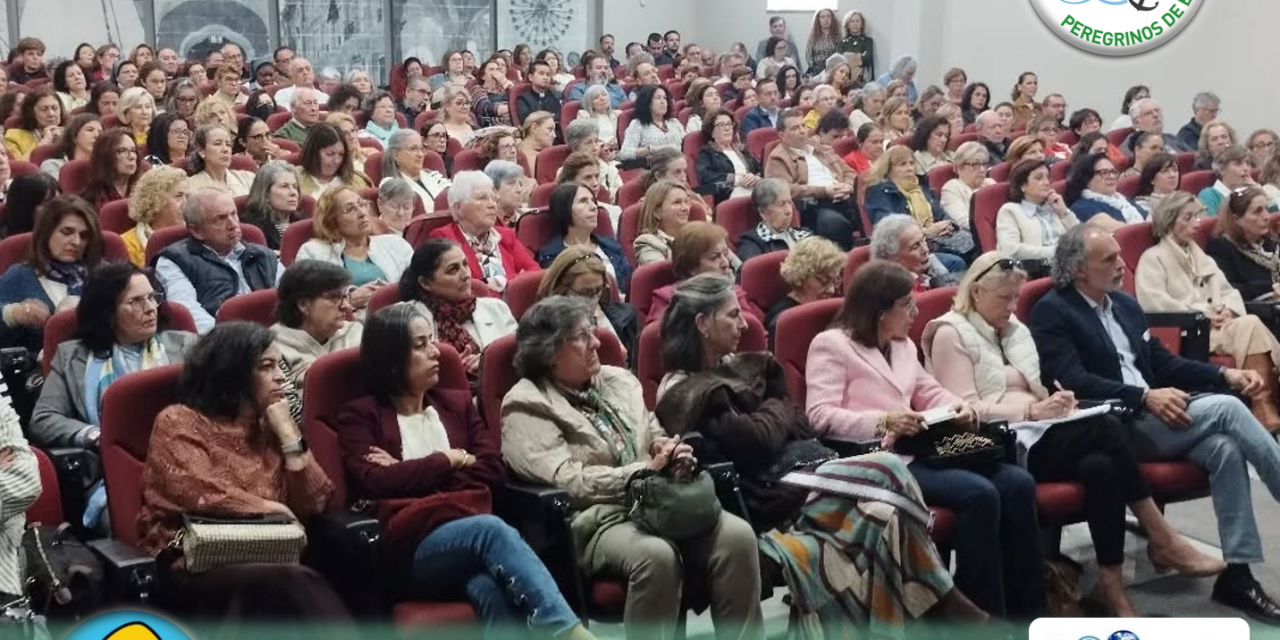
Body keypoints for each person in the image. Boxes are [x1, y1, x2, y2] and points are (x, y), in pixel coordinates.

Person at [923, 252, 1226, 616]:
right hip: (997, 442)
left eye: (1016, 298)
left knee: (1101, 467)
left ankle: (1111, 587)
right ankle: (1160, 535)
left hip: (1037, 431)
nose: (1013, 307)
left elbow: (1037, 387)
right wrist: (1031, 411)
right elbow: (964, 410)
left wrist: (1055, 401)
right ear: (976, 293)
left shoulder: (1014, 329)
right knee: (1108, 426)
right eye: (1004, 298)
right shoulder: (950, 333)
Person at [1031, 224, 1280, 623]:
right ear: (1079, 270)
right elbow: (1072, 379)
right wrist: (1143, 396)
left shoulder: (1124, 305)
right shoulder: (1053, 311)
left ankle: (1238, 574)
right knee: (1228, 409)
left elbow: (1162, 363)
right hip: (1115, 425)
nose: (1121, 264)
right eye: (1109, 259)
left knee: (1225, 448)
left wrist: (1224, 374)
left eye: (1119, 255)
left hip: (1158, 414)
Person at [501, 295, 765, 640]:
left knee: (737, 536)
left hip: (661, 502)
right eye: (581, 337)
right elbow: (567, 480)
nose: (596, 342)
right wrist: (642, 472)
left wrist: (668, 450)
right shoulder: (525, 404)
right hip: (597, 518)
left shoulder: (618, 381)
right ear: (548, 352)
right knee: (656, 555)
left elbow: (651, 431)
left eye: (592, 330)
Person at [335, 302, 595, 639]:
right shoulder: (360, 416)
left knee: (487, 587)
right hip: (409, 549)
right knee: (490, 530)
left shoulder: (456, 405)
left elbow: (492, 469)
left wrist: (409, 473)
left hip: (467, 538)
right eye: (421, 345)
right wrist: (451, 459)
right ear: (391, 358)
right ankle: (568, 631)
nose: (436, 352)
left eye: (432, 340)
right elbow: (375, 481)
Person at [806, 260, 1045, 619]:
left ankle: (1028, 613)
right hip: (877, 461)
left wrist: (958, 406)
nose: (915, 313)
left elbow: (927, 391)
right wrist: (883, 421)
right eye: (907, 304)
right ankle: (981, 614)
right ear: (880, 310)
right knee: (979, 494)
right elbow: (820, 415)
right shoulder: (831, 345)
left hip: (919, 449)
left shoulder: (902, 345)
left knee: (1019, 483)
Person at [137, 322, 353, 623]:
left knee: (339, 550)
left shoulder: (272, 427)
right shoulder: (179, 422)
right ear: (232, 374)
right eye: (267, 366)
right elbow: (199, 493)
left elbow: (314, 502)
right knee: (287, 580)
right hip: (196, 563)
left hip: (272, 553)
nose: (281, 376)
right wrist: (270, 508)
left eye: (279, 365)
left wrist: (290, 436)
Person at [30, 262, 196, 525]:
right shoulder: (72, 357)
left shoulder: (186, 346)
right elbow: (43, 419)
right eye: (136, 301)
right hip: (111, 475)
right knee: (137, 522)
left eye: (152, 297)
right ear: (107, 312)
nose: (150, 308)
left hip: (189, 465)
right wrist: (97, 435)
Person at [1137, 192, 1280, 430]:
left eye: (1197, 216)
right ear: (1169, 221)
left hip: (1219, 325)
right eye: (1188, 217)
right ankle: (1264, 404)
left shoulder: (1199, 255)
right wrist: (1204, 315)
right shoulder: (1153, 258)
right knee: (1251, 325)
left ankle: (1263, 404)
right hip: (1190, 332)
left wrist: (1228, 310)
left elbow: (1228, 291)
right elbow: (1154, 304)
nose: (1196, 223)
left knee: (1250, 323)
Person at [155, 188, 284, 334]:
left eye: (234, 214)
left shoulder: (264, 255)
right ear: (197, 231)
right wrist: (229, 339)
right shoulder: (173, 261)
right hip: (223, 340)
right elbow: (188, 312)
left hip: (276, 334)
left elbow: (291, 295)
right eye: (220, 219)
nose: (233, 225)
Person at [0, 195, 103, 353]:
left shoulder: (103, 275)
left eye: (84, 236)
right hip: (38, 365)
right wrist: (14, 314)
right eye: (67, 232)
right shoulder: (20, 275)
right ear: (46, 232)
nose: (76, 242)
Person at [400, 239, 517, 375]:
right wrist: (451, 370)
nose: (466, 275)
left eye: (465, 264)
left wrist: (489, 362)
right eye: (453, 270)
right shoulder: (405, 318)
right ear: (425, 283)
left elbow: (521, 356)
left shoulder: (496, 308)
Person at [297, 186, 412, 314]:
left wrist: (390, 295)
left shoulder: (396, 244)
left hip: (397, 318)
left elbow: (417, 288)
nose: (362, 213)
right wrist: (349, 300)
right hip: (343, 323)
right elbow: (306, 303)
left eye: (361, 204)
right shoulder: (313, 253)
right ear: (331, 221)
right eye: (349, 209)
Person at [765, 109, 859, 250]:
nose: (802, 131)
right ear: (781, 135)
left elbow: (849, 171)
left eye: (803, 126)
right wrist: (824, 191)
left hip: (845, 196)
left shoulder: (818, 148)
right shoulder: (778, 158)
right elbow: (785, 190)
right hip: (815, 206)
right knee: (835, 224)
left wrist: (848, 185)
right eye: (795, 128)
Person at [866, 145, 973, 268]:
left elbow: (941, 214)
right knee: (955, 262)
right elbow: (889, 232)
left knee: (976, 247)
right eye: (902, 164)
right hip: (912, 248)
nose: (909, 168)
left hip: (938, 240)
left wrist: (948, 225)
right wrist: (926, 233)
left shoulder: (921, 188)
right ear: (889, 169)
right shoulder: (880, 193)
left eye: (911, 163)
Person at [271, 260, 363, 394]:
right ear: (303, 305)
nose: (346, 306)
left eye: (345, 297)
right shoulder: (273, 349)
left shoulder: (354, 332)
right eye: (334, 297)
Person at [537, 246, 641, 362]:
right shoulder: (544, 331)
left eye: (598, 290)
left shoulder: (627, 316)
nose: (593, 299)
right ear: (561, 290)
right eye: (585, 293)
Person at [647, 222, 760, 324]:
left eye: (725, 254)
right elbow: (657, 337)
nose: (725, 263)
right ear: (691, 267)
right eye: (714, 257)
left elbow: (753, 333)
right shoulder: (667, 299)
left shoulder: (735, 293)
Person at [535, 183, 632, 293]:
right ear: (564, 209)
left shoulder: (612, 247)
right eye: (583, 201)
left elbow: (629, 286)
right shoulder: (551, 256)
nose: (594, 207)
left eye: (593, 201)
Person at [994, 159, 1079, 266]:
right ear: (1023, 186)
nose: (1047, 183)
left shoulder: (1054, 207)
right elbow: (1011, 250)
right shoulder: (1010, 211)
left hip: (1069, 264)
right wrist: (1056, 252)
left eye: (1048, 177)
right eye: (1039, 178)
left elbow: (1082, 238)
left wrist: (1064, 212)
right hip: (1036, 269)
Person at [1206, 186, 1280, 302]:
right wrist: (1272, 287)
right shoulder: (1221, 247)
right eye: (1257, 212)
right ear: (1237, 219)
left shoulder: (1270, 242)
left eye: (1266, 209)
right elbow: (1228, 289)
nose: (1267, 216)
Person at [764, 236, 842, 347]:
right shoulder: (782, 320)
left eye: (835, 281)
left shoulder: (834, 311)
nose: (832, 290)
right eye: (823, 281)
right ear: (802, 275)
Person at [871, 214, 963, 291]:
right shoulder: (902, 295)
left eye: (923, 240)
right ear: (894, 258)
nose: (926, 250)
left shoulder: (929, 272)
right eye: (915, 247)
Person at [123, 166, 188, 267]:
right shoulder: (128, 244)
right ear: (156, 201)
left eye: (187, 196)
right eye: (178, 196)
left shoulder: (196, 235)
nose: (186, 203)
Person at [736, 178, 812, 261]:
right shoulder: (751, 242)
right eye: (781, 204)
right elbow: (753, 268)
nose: (789, 211)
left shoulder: (804, 234)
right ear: (763, 212)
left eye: (789, 202)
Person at [694, 109, 760, 205]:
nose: (727, 128)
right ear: (712, 132)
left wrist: (756, 178)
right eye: (721, 125)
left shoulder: (742, 149)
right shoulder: (707, 152)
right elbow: (706, 177)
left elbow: (759, 169)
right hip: (729, 195)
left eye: (729, 124)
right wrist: (736, 179)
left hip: (755, 191)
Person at [1065, 151, 1143, 232]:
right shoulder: (1082, 206)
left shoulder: (1121, 199)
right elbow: (1123, 231)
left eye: (1113, 172)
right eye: (1104, 173)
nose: (1112, 177)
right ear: (1087, 179)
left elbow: (1146, 217)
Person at [291, 123, 369, 199]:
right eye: (330, 154)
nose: (337, 161)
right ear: (313, 152)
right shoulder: (294, 178)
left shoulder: (356, 179)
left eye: (341, 154)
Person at [240, 162, 304, 251]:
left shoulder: (304, 225)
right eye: (284, 186)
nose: (293, 192)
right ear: (266, 193)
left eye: (295, 187)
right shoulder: (252, 228)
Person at [633, 180, 696, 265]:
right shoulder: (647, 243)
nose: (685, 208)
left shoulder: (696, 236)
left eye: (686, 202)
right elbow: (661, 272)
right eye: (677, 202)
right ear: (657, 212)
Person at [619, 85, 685, 165]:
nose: (663, 101)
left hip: (679, 165)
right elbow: (625, 153)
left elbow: (687, 144)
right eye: (658, 98)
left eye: (665, 98)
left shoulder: (674, 122)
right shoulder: (637, 124)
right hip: (653, 167)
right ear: (647, 102)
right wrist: (651, 149)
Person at [185, 124, 255, 197]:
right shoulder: (189, 186)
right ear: (202, 151)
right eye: (217, 144)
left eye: (228, 144)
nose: (225, 149)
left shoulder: (248, 179)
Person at [940, 141, 995, 230]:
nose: (982, 169)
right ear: (959, 167)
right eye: (975, 164)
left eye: (984, 164)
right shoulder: (951, 189)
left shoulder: (990, 183)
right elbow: (965, 222)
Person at [4, 86, 63, 161]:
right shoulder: (14, 137)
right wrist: (45, 141)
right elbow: (18, 166)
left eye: (55, 108)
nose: (51, 114)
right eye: (44, 109)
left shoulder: (72, 133)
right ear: (31, 112)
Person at [1201, 146, 1261, 216]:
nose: (1245, 168)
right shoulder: (1209, 195)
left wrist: (1259, 192)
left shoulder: (1250, 193)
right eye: (1238, 164)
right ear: (1221, 169)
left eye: (1247, 163)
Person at [41, 113, 100, 178]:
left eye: (100, 132)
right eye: (90, 130)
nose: (97, 135)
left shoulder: (103, 168)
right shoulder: (53, 165)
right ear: (74, 136)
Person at [1124, 98, 1191, 155]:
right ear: (1136, 123)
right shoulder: (1130, 147)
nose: (1156, 115)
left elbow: (1192, 158)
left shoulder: (1172, 138)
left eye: (1157, 111)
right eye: (1148, 113)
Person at [1131, 152, 1180, 217]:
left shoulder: (1185, 198)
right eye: (1165, 171)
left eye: (1175, 170)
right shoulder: (1143, 206)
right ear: (1152, 179)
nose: (1172, 175)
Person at [470, 57, 514, 128]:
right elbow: (485, 108)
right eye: (491, 69)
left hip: (512, 127)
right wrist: (511, 109)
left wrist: (505, 82)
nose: (495, 72)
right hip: (491, 128)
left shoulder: (504, 89)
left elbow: (518, 100)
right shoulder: (477, 89)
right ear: (483, 76)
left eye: (497, 69)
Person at [576, 84, 621, 149]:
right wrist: (602, 145)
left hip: (614, 150)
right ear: (590, 103)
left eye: (604, 95)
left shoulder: (617, 114)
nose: (602, 98)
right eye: (596, 97)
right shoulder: (584, 115)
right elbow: (583, 140)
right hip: (594, 151)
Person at [517, 111, 556, 180]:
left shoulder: (552, 154)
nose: (554, 135)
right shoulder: (517, 153)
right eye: (550, 129)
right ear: (534, 127)